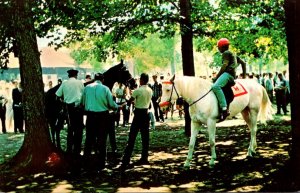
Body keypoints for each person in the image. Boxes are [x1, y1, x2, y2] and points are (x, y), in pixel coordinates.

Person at [82, 73, 120, 171]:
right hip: (102, 117)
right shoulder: (105, 89)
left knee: (89, 139)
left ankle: (86, 161)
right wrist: (117, 107)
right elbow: (111, 104)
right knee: (102, 139)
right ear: (102, 80)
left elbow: (82, 102)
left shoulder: (87, 88)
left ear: (94, 79)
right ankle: (101, 163)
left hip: (90, 116)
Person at [119, 73, 153, 171]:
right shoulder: (150, 90)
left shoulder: (137, 91)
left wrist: (127, 97)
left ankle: (126, 158)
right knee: (145, 137)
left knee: (132, 137)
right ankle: (144, 157)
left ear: (141, 80)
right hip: (145, 113)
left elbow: (130, 101)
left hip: (138, 114)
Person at [212, 38, 246, 121]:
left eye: (218, 47)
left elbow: (224, 65)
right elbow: (243, 63)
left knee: (215, 87)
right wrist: (244, 76)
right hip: (231, 75)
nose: (218, 49)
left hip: (227, 74)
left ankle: (224, 109)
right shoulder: (233, 54)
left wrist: (217, 76)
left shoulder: (226, 53)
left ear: (222, 47)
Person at [56, 69, 84, 157]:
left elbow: (57, 95)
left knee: (70, 129)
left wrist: (64, 100)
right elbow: (83, 94)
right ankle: (77, 149)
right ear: (76, 75)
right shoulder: (80, 83)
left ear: (68, 75)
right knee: (79, 129)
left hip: (69, 108)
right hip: (79, 108)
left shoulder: (64, 83)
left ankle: (69, 149)